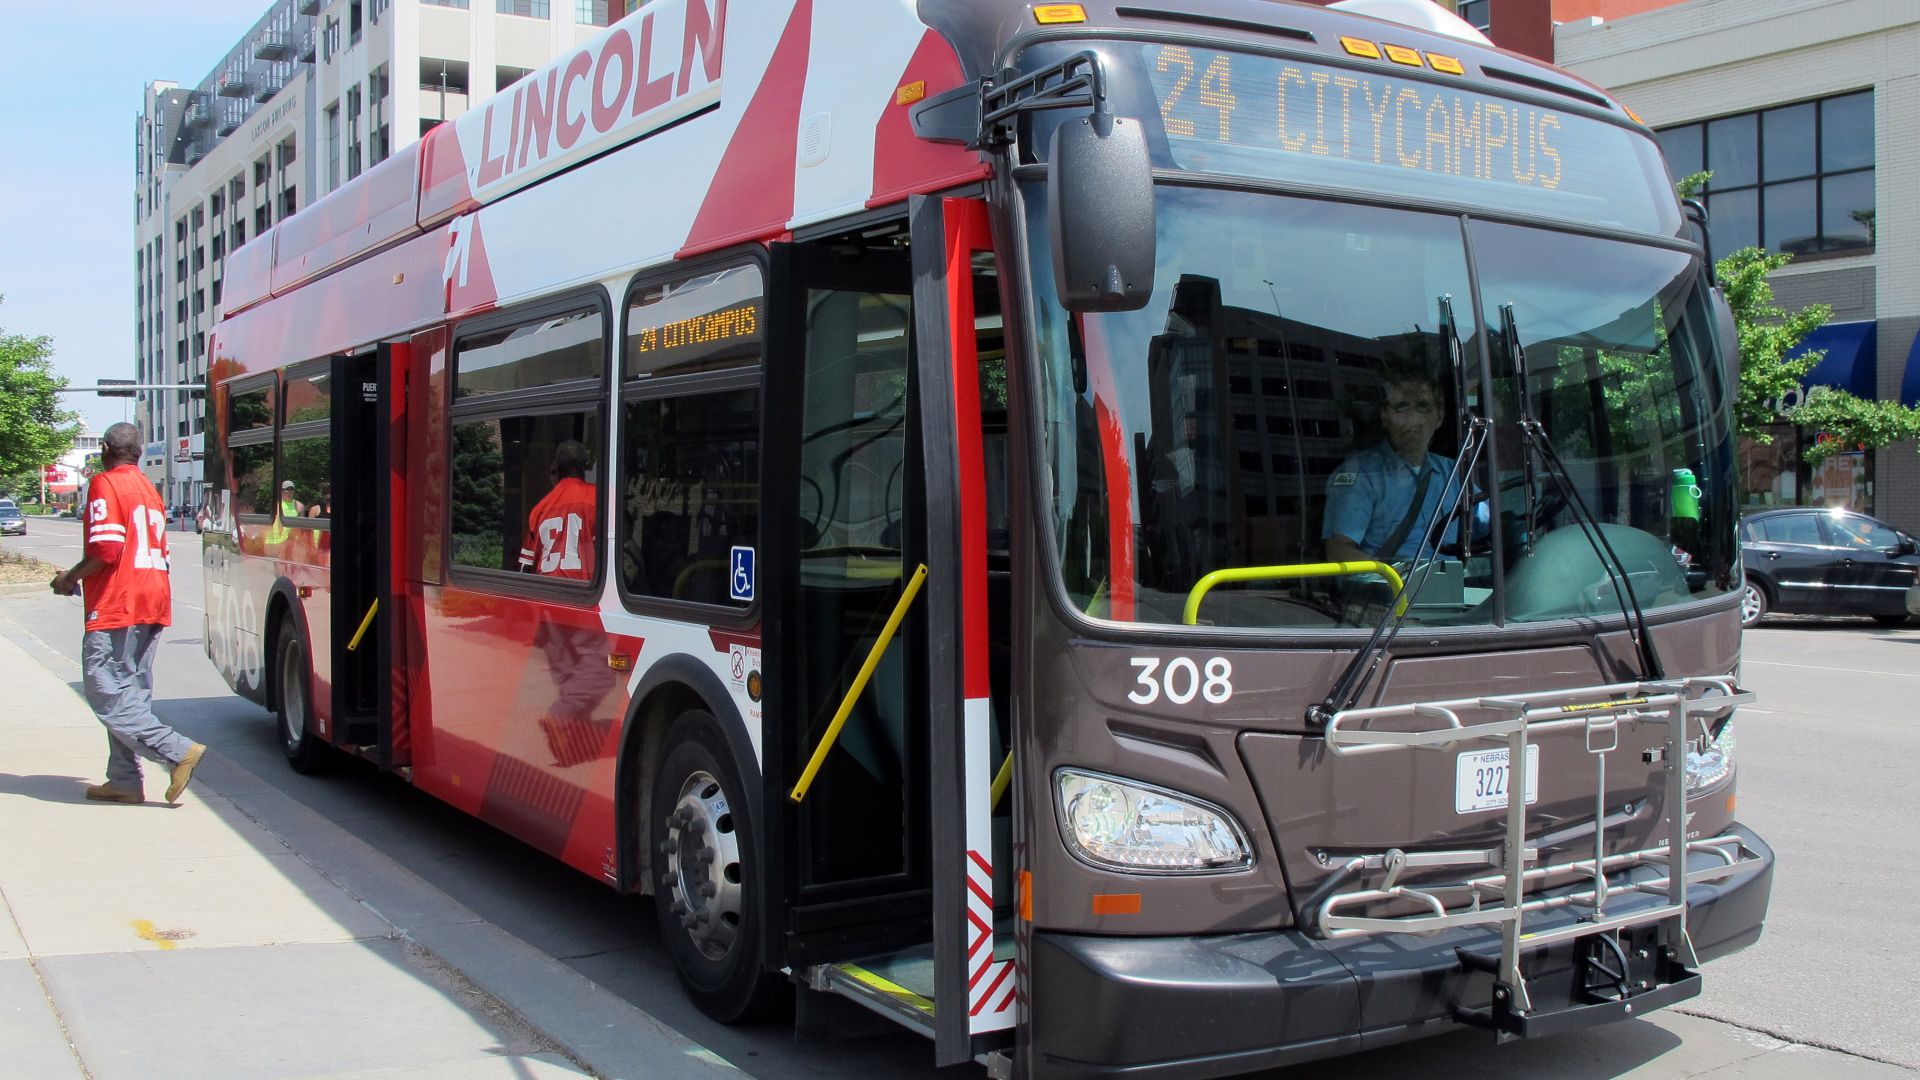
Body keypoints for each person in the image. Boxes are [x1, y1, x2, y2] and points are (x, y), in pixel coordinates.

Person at [50, 422, 206, 805]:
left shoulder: (106, 483)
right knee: (129, 696)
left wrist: (69, 578)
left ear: (105, 448)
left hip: (118, 602)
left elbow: (105, 548)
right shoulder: (149, 489)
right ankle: (123, 780)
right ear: (139, 453)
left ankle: (176, 750)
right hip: (152, 599)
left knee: (105, 692)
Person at [1323, 368, 1474, 567]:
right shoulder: (1361, 475)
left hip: (1460, 592)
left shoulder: (1455, 472)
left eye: (1423, 407)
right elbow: (1338, 552)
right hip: (1392, 594)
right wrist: (1393, 579)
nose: (1413, 420)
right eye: (1401, 407)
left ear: (1439, 416)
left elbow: (1487, 529)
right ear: (1384, 416)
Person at [520, 440, 612, 766]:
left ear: (554, 471)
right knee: (600, 672)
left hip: (546, 601)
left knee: (567, 675)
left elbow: (523, 567)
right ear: (584, 467)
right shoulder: (596, 499)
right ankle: (561, 718)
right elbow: (607, 554)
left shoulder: (539, 508)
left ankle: (571, 744)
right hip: (579, 597)